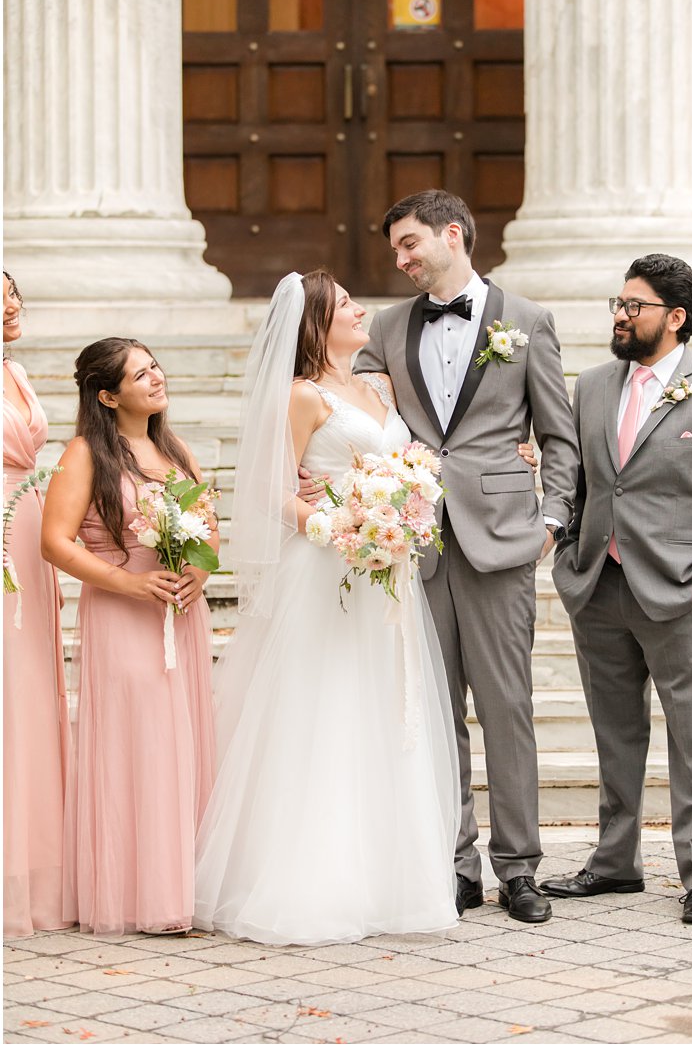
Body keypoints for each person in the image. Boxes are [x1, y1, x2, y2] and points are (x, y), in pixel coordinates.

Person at [194, 271, 468, 944]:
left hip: (386, 572)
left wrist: (401, 511)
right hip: (324, 571)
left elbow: (407, 465)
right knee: (325, 710)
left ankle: (385, 882)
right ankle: (312, 884)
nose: (360, 308)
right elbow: (270, 491)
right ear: (317, 322)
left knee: (383, 709)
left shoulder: (376, 387)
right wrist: (333, 528)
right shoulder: (301, 397)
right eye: (346, 304)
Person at [350, 189, 579, 924]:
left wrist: (552, 518)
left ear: (454, 233)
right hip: (416, 540)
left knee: (506, 707)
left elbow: (560, 435)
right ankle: (454, 865)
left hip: (503, 538)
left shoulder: (529, 320)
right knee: (434, 710)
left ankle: (519, 869)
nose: (402, 258)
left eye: (411, 243)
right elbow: (353, 406)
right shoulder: (385, 328)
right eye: (396, 250)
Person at [544, 254, 692, 924]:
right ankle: (614, 861)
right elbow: (578, 480)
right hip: (598, 587)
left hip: (679, 596)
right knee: (615, 733)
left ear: (675, 317)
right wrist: (571, 559)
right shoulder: (592, 387)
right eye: (618, 302)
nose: (618, 313)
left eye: (632, 305)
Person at [41, 338, 218, 936]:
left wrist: (197, 572)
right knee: (139, 742)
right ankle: (138, 892)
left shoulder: (175, 448)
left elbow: (210, 529)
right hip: (123, 610)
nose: (156, 378)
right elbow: (55, 542)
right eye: (140, 374)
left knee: (181, 739)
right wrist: (127, 583)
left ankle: (184, 882)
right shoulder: (84, 453)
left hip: (179, 611)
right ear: (108, 395)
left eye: (155, 366)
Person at [3, 271, 75, 937]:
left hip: (26, 529)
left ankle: (33, 864)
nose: (12, 302)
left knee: (29, 689)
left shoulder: (17, 369)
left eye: (14, 290)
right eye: (0, 293)